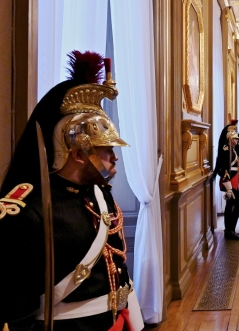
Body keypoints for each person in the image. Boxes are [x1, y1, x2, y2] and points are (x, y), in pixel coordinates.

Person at [0, 51, 144, 330]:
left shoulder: (99, 193)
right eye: (106, 150)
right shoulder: (27, 210)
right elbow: (17, 310)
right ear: (80, 153)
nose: (114, 158)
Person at [214, 120, 239, 240]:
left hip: (233, 180)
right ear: (230, 138)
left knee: (230, 205)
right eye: (235, 139)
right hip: (228, 181)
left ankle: (230, 230)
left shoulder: (232, 149)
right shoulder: (227, 150)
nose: (237, 141)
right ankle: (230, 229)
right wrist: (229, 188)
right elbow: (225, 169)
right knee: (238, 204)